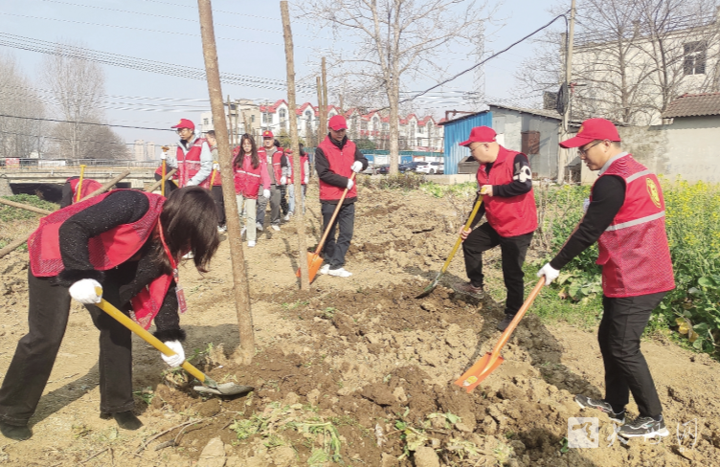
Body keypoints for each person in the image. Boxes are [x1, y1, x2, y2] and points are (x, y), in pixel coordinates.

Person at [0, 187, 220, 441]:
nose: (189, 247)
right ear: (182, 221)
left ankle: (118, 405)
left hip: (99, 261)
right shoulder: (135, 204)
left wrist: (169, 336)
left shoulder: (168, 240)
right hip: (56, 251)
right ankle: (11, 412)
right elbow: (74, 227)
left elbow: (164, 281)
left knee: (117, 326)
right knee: (46, 336)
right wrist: (80, 275)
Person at [537, 118, 675, 439]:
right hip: (634, 271)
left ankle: (653, 419)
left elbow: (589, 230)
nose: (581, 157)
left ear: (606, 145)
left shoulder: (612, 181)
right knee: (607, 338)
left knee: (623, 347)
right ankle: (614, 404)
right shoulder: (638, 172)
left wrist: (555, 265)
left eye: (584, 150)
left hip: (636, 277)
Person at [453, 126, 537, 332]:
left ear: (486, 145)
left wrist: (496, 190)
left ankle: (512, 313)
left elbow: (524, 185)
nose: (471, 154)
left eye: (472, 149)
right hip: (497, 223)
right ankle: (476, 285)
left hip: (518, 225)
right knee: (471, 243)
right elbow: (481, 199)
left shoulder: (516, 159)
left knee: (512, 272)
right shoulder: (483, 169)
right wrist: (469, 226)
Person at [315, 115, 368, 278]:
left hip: (348, 197)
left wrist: (362, 164)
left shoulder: (352, 146)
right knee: (329, 232)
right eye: (337, 130)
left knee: (346, 232)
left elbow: (363, 160)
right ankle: (330, 261)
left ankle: (336, 264)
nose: (340, 133)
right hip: (330, 197)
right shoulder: (322, 148)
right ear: (330, 130)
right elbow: (323, 173)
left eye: (343, 130)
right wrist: (343, 181)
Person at [233, 134, 271, 247]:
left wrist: (266, 187)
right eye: (244, 144)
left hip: (251, 189)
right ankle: (240, 227)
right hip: (238, 188)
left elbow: (265, 175)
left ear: (252, 145)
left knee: (250, 215)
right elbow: (231, 171)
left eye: (249, 144)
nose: (246, 147)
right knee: (237, 211)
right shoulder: (237, 157)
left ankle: (251, 237)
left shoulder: (259, 159)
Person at [256, 131, 289, 232]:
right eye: (265, 139)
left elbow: (284, 165)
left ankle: (274, 221)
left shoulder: (279, 152)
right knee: (262, 203)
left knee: (275, 203)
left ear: (273, 140)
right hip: (263, 183)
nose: (267, 141)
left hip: (276, 182)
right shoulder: (259, 152)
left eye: (269, 139)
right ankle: (259, 222)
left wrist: (284, 176)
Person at [169, 119, 213, 189]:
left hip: (198, 188)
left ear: (191, 130)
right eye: (178, 131)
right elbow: (178, 166)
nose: (180, 133)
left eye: (183, 131)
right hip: (183, 186)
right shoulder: (180, 146)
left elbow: (206, 168)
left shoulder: (202, 144)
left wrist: (193, 182)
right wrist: (168, 159)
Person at [205, 131, 227, 232]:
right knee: (219, 202)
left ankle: (220, 223)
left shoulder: (216, 150)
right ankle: (222, 221)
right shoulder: (213, 149)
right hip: (216, 180)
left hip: (217, 180)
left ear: (213, 138)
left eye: (208, 138)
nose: (207, 140)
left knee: (217, 202)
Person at [286, 144, 310, 217]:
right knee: (291, 195)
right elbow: (288, 168)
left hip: (301, 180)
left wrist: (306, 177)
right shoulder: (290, 158)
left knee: (301, 196)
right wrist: (288, 177)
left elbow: (306, 169)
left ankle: (301, 210)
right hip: (292, 180)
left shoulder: (304, 158)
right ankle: (291, 210)